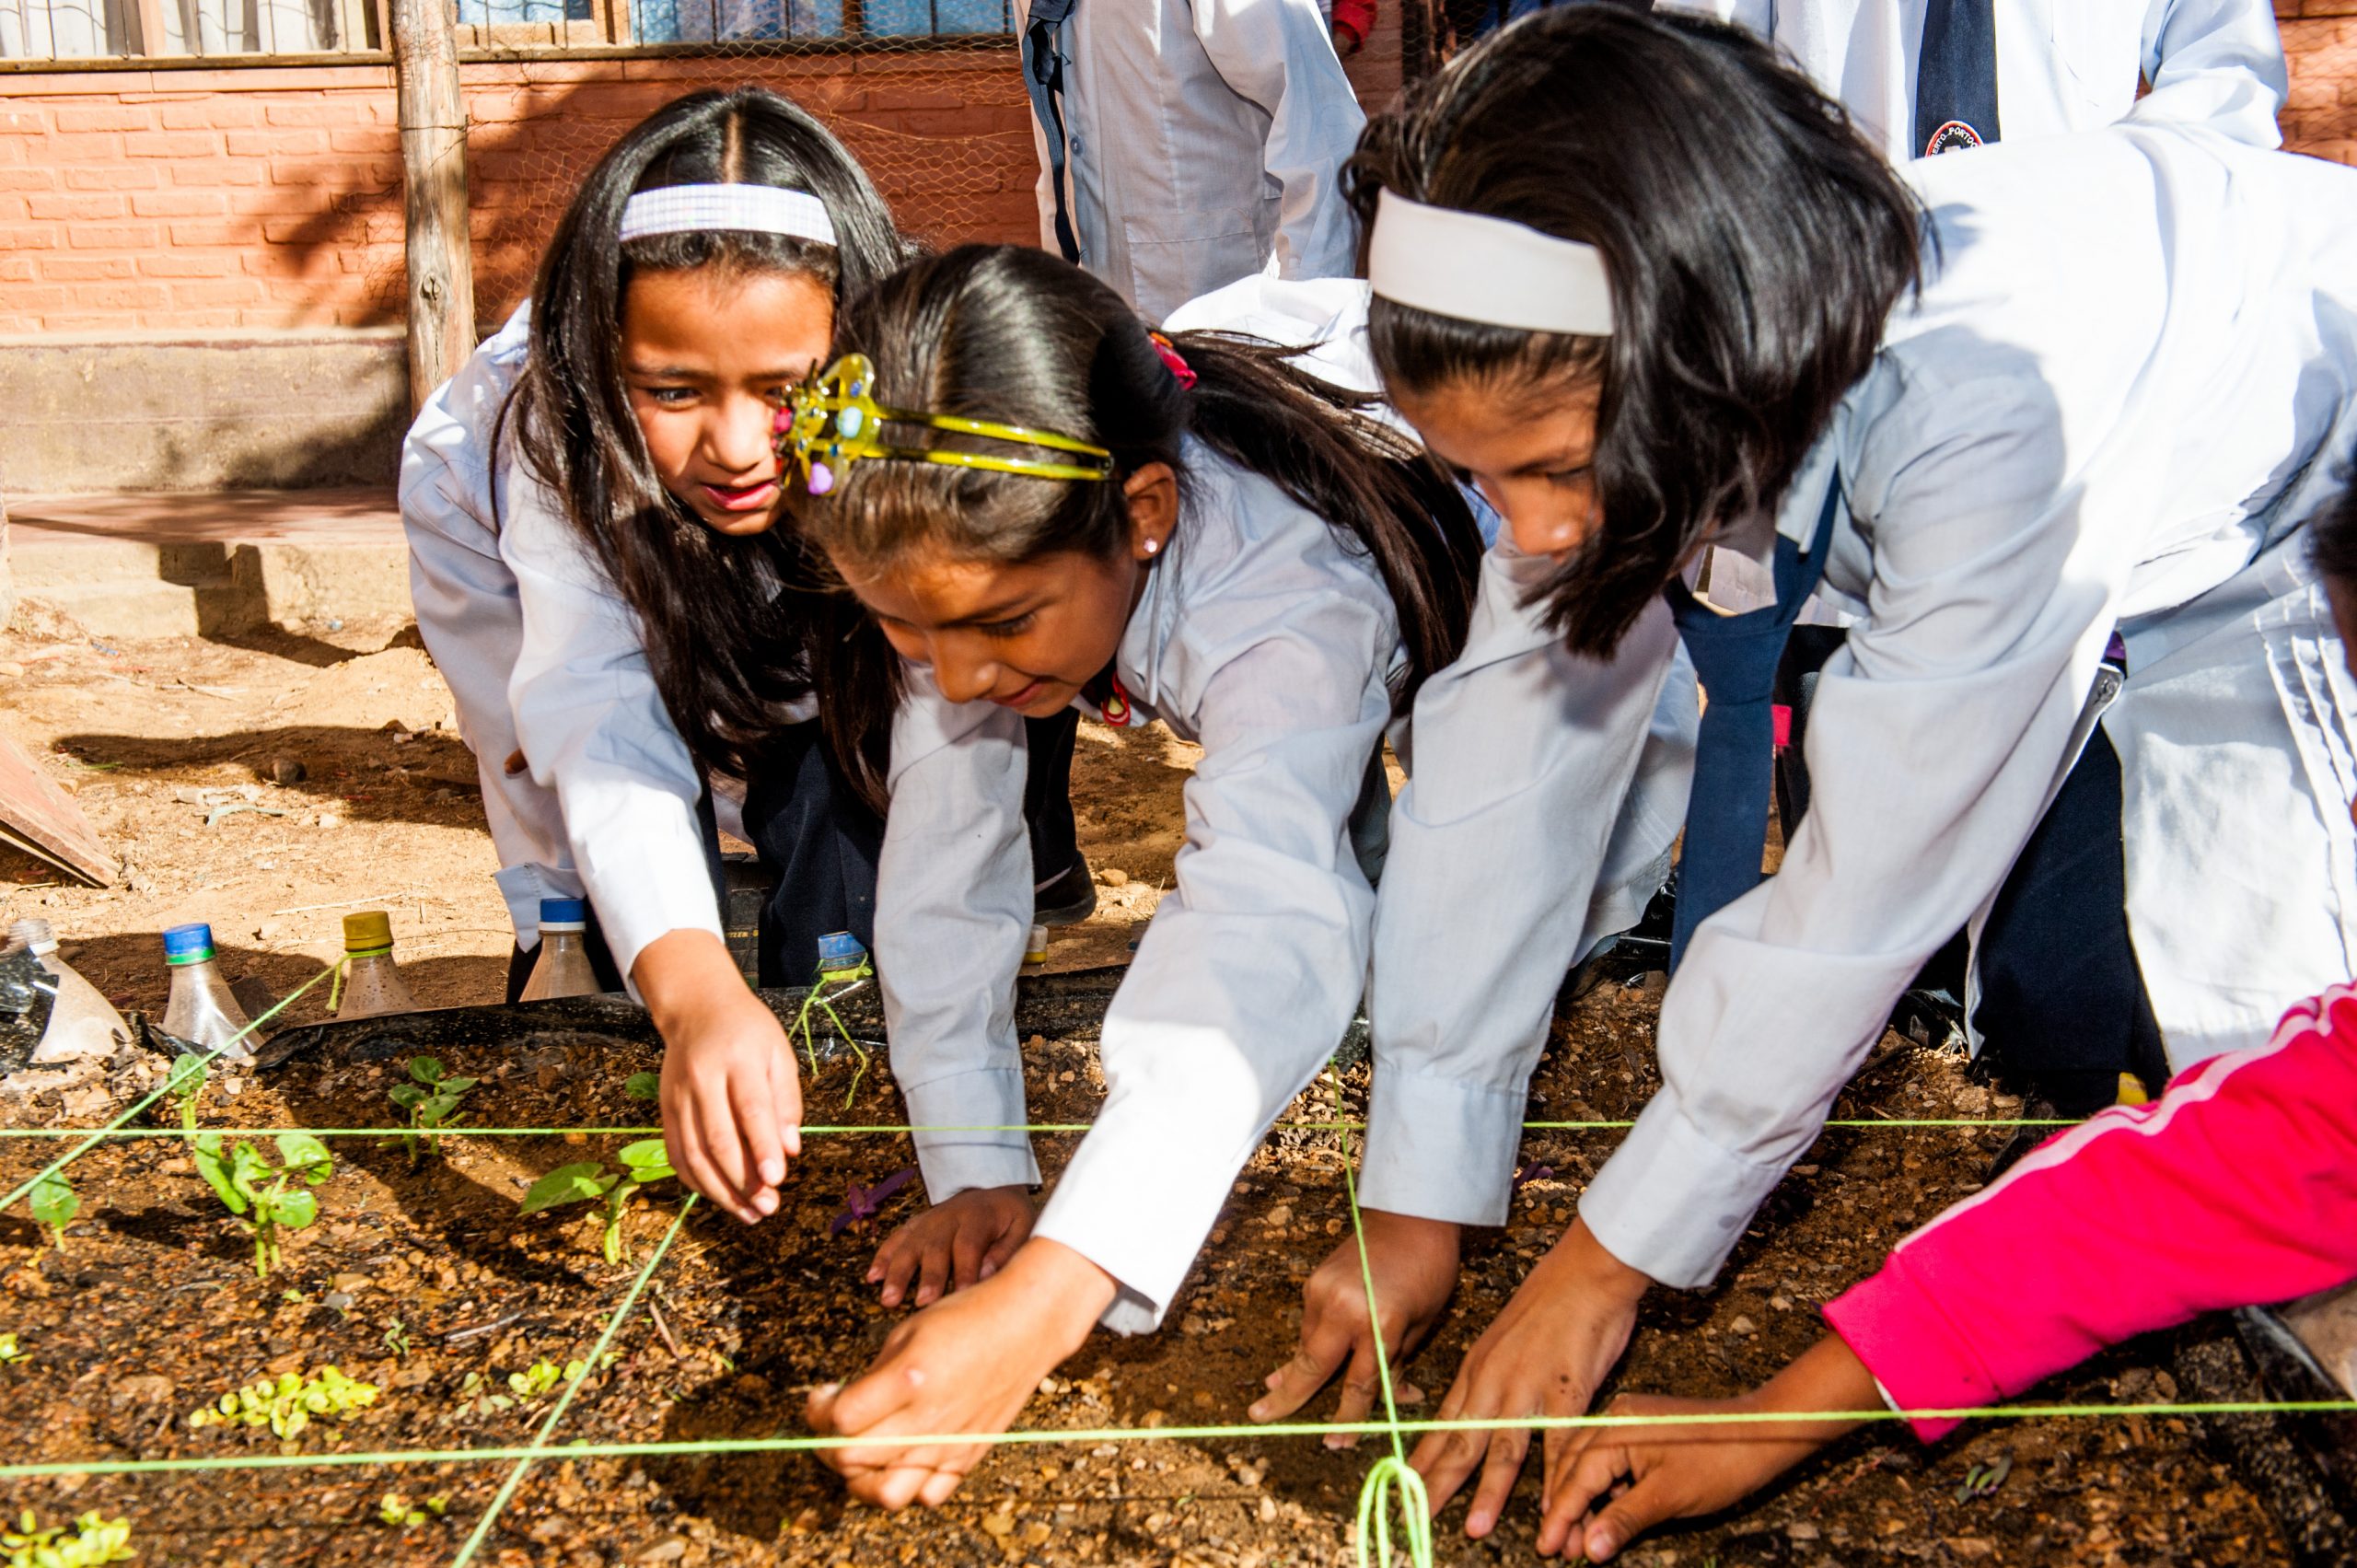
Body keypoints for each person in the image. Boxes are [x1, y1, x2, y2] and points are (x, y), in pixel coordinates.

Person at [1248, 5, 2357, 1539]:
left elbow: (1867, 889)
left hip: (2303, 519)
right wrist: (1418, 1189)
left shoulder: (1997, 408)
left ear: (1711, 361)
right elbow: (1504, 742)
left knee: (2261, 1050)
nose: (1537, 531)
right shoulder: (1639, 369)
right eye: (1486, 477)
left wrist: (1600, 1268)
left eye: (1556, 470)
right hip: (2151, 517)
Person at [782, 242, 1514, 1507]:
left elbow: (1261, 905)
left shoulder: (1284, 602)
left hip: (1532, 612)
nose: (956, 678)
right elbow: (946, 858)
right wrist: (977, 1163)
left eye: (1005, 626)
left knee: (1501, 895)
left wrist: (1051, 1291)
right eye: (910, 634)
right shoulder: (969, 539)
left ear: (1147, 513)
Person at [405, 87, 1090, 1226]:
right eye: (671, 390)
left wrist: (971, 1131)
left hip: (834, 599)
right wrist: (692, 993)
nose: (731, 447)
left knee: (860, 788)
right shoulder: (536, 442)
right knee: (574, 844)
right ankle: (608, 963)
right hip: (523, 560)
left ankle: (825, 989)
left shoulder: (918, 379)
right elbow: (592, 713)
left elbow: (945, 762)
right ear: (602, 367)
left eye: (784, 392)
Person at [1016, 0, 1366, 324]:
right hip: (1103, 317)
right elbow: (1055, 144)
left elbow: (1324, 131)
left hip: (1232, 321)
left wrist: (1303, 332)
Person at [1661, 0, 2287, 161]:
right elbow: (1699, 86)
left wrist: (2113, 218)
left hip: (2074, 327)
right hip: (1841, 316)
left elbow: (2229, 79)